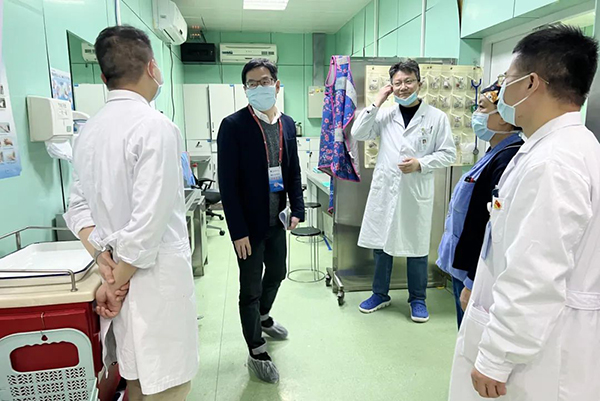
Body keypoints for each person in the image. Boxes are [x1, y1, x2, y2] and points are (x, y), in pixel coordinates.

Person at [449, 24, 600, 400]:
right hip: (534, 338)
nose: (501, 91)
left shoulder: (554, 162)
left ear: (531, 84)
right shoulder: (555, 147)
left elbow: (536, 274)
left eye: (507, 80)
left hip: (537, 360)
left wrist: (496, 356)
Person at [64, 26, 199, 400]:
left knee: (135, 380)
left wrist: (102, 261)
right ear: (153, 68)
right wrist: (114, 282)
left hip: (119, 279)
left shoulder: (88, 132)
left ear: (103, 77)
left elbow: (77, 209)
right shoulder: (156, 126)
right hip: (152, 284)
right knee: (168, 385)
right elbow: (148, 226)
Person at [217, 58, 305, 383]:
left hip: (276, 221)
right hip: (249, 227)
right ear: (245, 89)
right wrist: (237, 231)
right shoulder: (233, 125)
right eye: (251, 83)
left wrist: (297, 208)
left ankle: (264, 317)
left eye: (265, 81)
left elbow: (293, 171)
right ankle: (256, 349)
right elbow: (227, 184)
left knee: (278, 273)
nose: (259, 87)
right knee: (250, 288)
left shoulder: (287, 124)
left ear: (276, 85)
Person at [352, 59, 456, 322]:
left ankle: (418, 299)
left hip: (415, 192)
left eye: (408, 81)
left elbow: (448, 153)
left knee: (416, 247)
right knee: (381, 244)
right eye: (397, 83)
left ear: (419, 83)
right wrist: (377, 101)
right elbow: (359, 132)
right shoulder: (385, 114)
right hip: (385, 191)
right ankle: (380, 294)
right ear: (391, 86)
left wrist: (421, 163)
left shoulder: (436, 117)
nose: (403, 87)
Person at [437, 81, 523, 329]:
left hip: (476, 273)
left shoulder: (508, 158)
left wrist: (473, 280)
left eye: (482, 107)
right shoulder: (494, 152)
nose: (476, 114)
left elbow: (492, 226)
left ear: (504, 117)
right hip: (465, 266)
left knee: (473, 336)